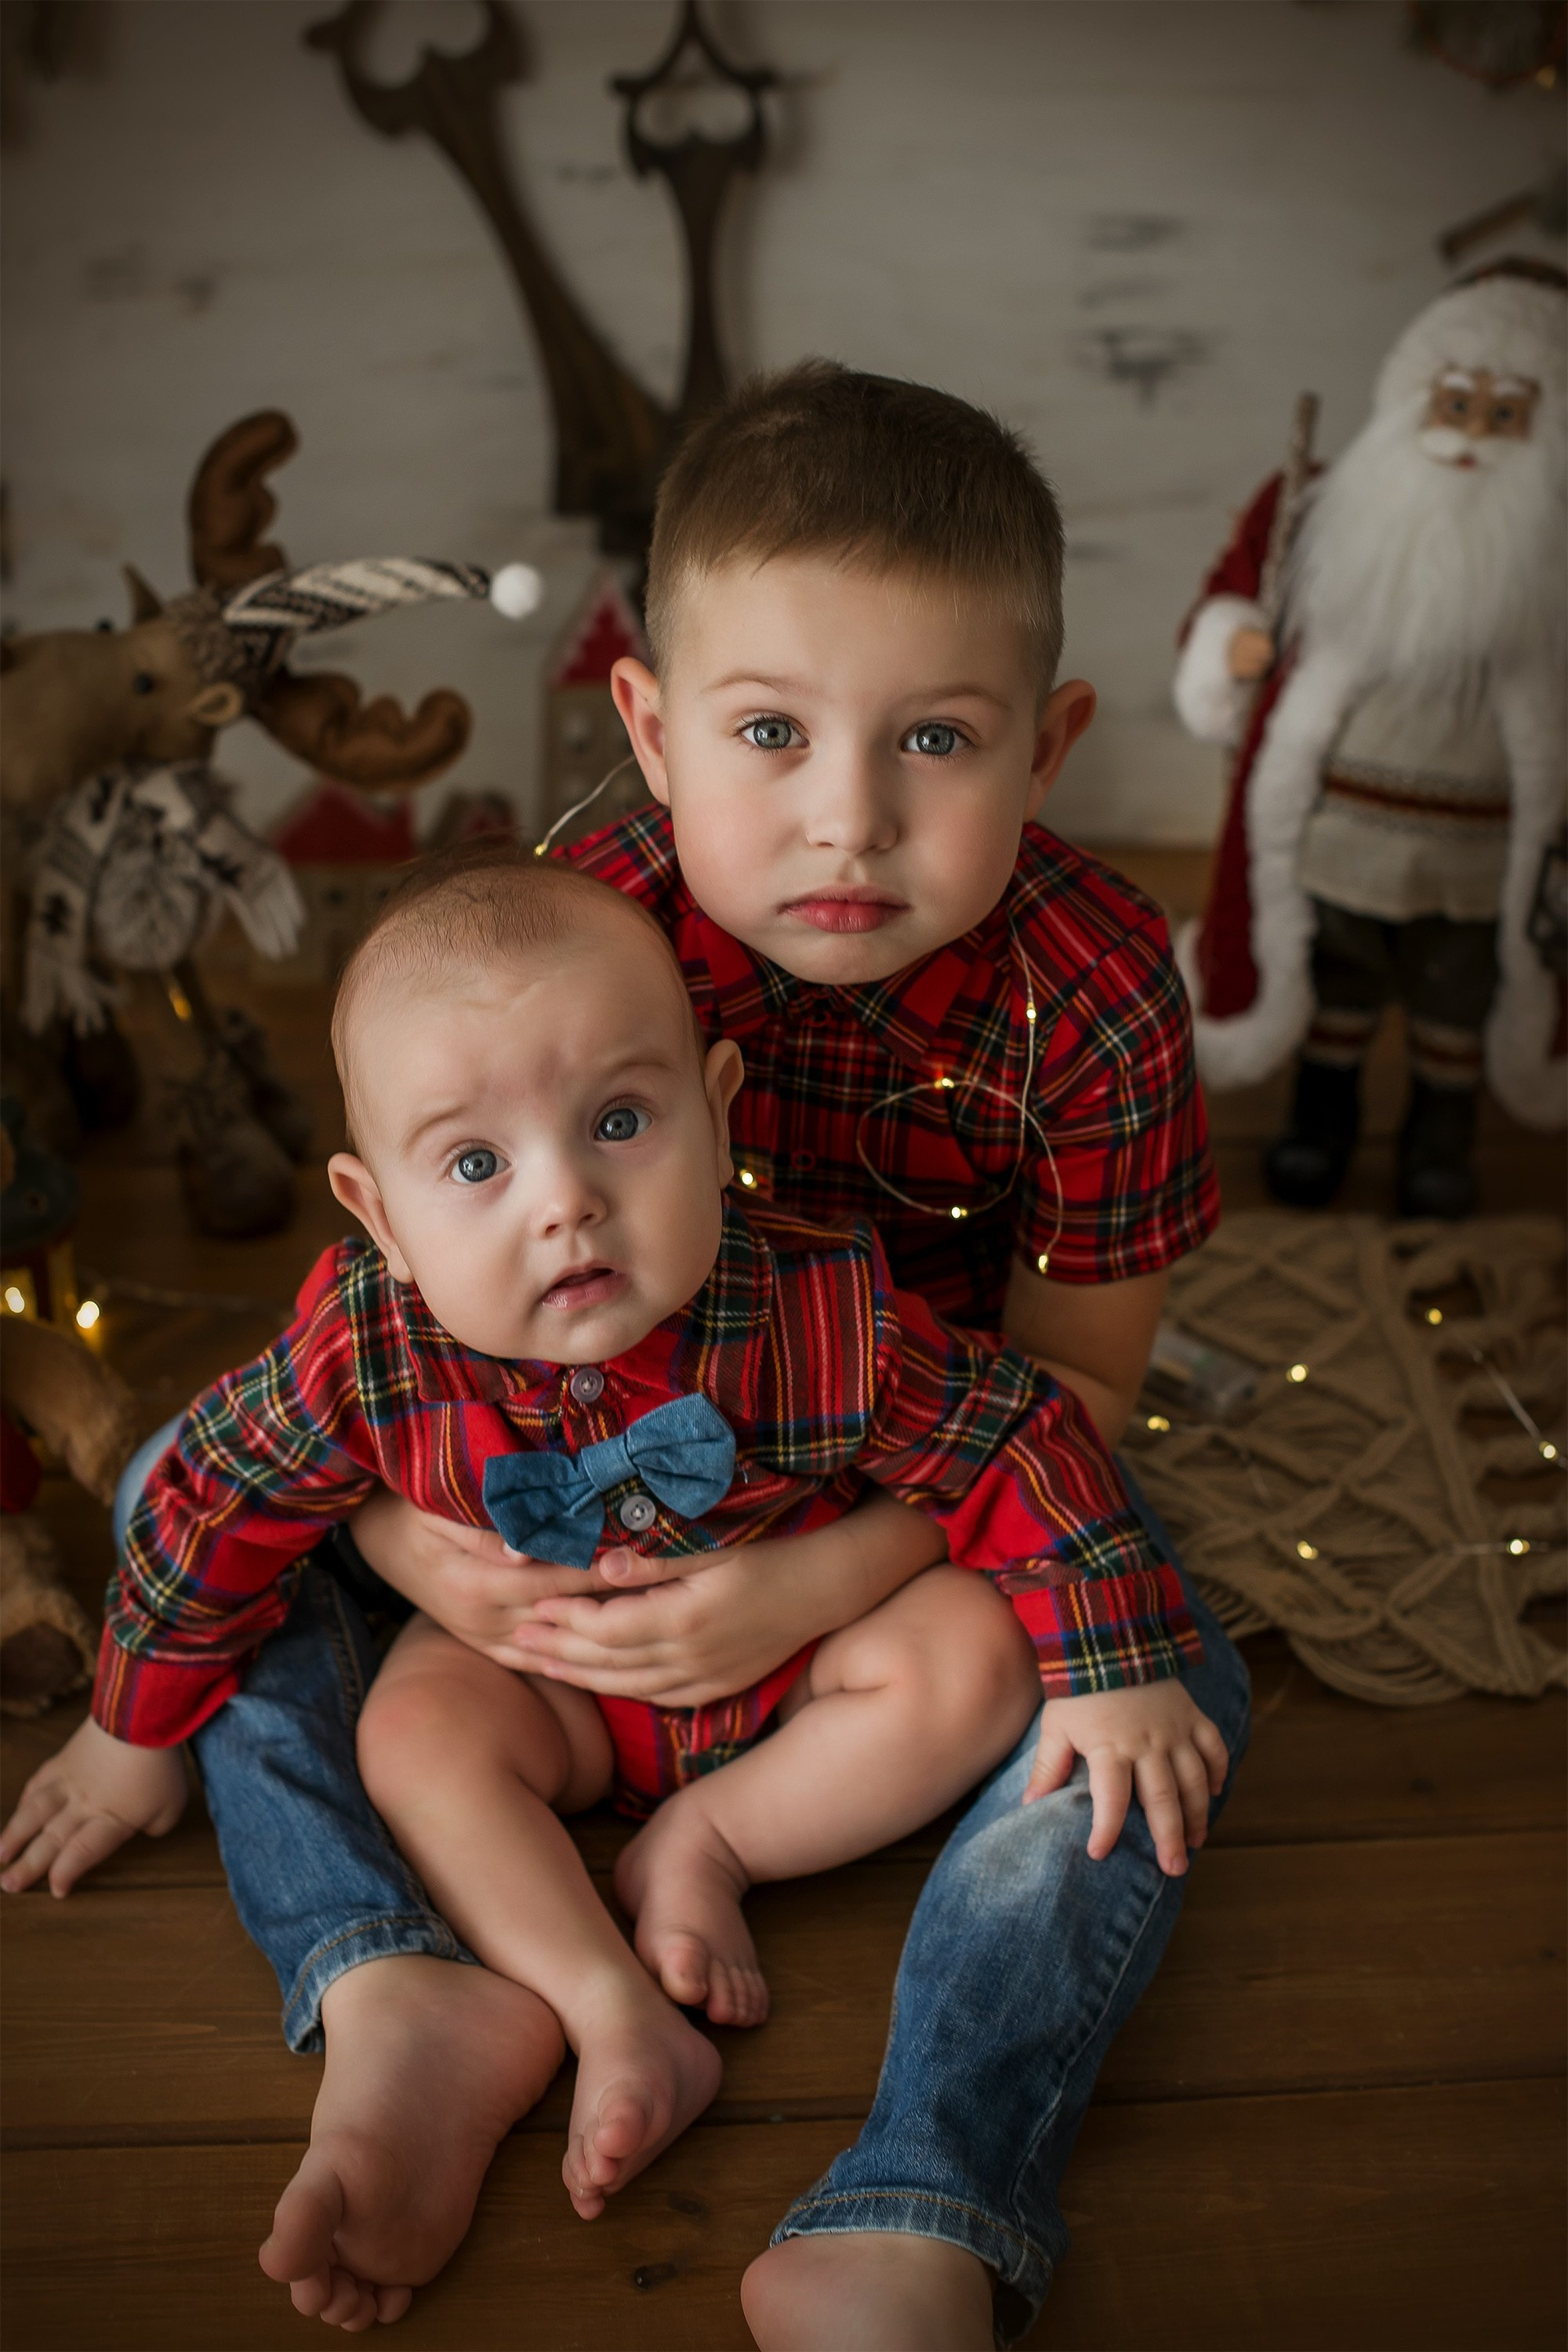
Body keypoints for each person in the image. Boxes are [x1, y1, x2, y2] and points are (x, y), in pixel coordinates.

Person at [3, 361, 1254, 2347]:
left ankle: (924, 2185)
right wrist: (425, 1553)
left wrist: (807, 1584)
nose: (846, 817)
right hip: (523, 1489)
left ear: (1046, 745)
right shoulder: (568, 927)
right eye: (768, 732)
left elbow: (1060, 1398)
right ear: (654, 733)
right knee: (191, 1488)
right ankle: (398, 1979)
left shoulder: (1088, 993)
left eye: (935, 738)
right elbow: (397, 1298)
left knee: (1151, 1677)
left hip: (901, 1485)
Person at [1171, 260, 1566, 1217]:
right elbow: (1231, 593)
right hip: (1334, 840)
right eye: (1455, 403)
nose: (1468, 436)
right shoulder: (1316, 510)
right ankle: (1320, 1121)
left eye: (1504, 415)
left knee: (1453, 1003)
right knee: (1334, 988)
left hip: (1479, 857)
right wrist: (1232, 642)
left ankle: (1440, 1139)